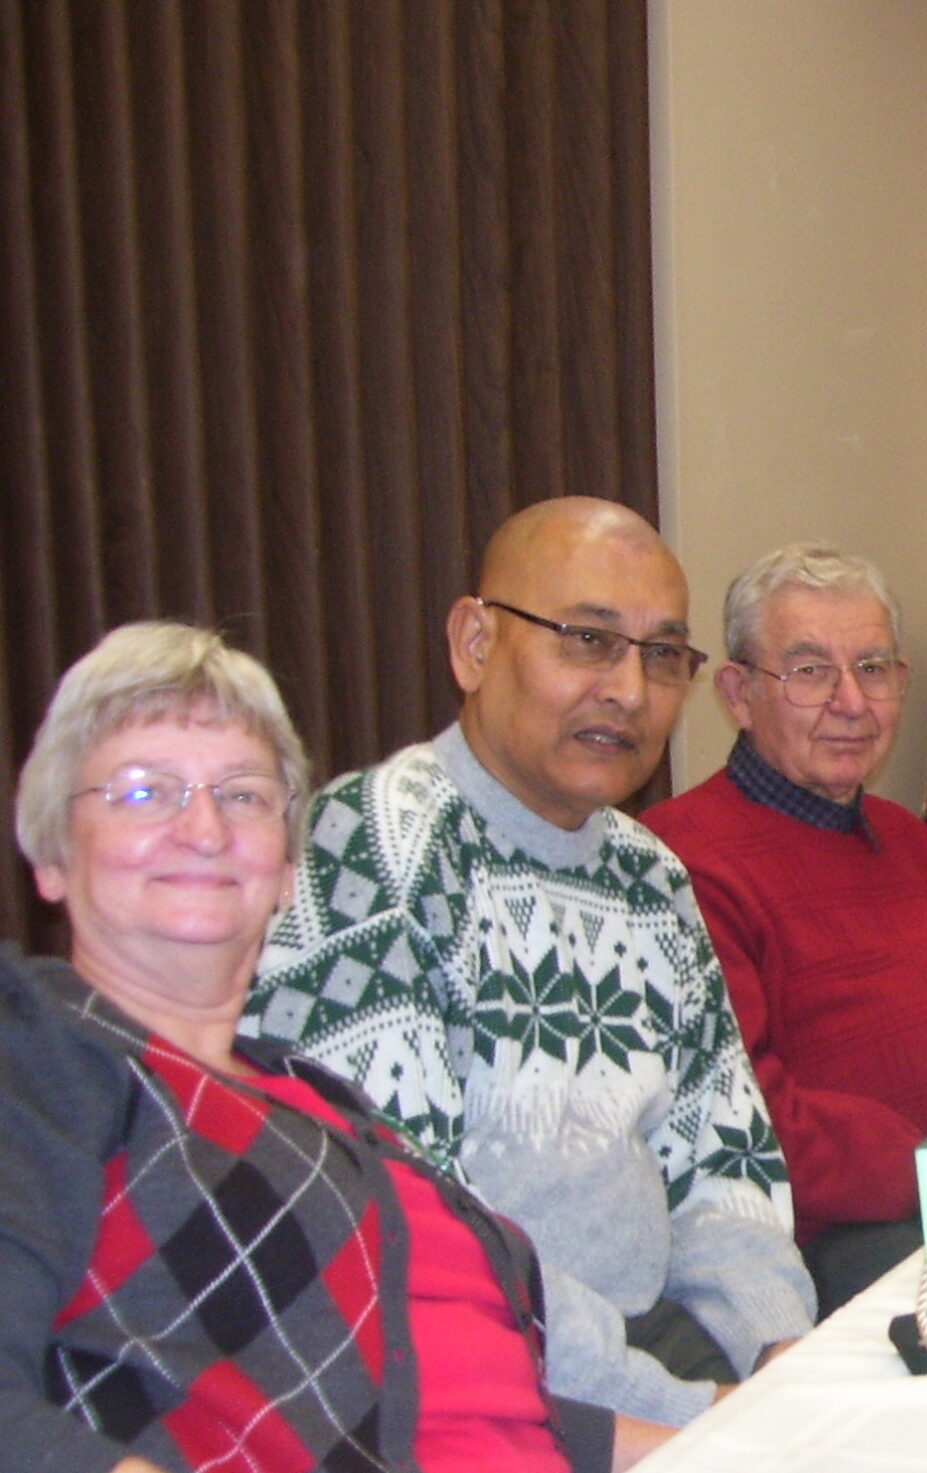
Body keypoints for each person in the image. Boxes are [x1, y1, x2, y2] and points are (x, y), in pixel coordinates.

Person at [0, 623, 659, 1473]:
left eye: (244, 795)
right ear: (49, 856)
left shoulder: (317, 1101)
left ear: (286, 866)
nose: (202, 825)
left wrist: (749, 1445)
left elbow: (437, 1398)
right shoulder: (41, 1057)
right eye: (141, 789)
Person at [246, 498, 816, 1425]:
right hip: (476, 1382)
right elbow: (409, 1237)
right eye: (589, 641)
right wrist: (681, 1413)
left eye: (661, 655)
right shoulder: (376, 847)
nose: (629, 691)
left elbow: (724, 1162)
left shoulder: (649, 875)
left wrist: (782, 1357)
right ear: (475, 644)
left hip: (651, 1349)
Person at [643, 544, 927, 1311]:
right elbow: (747, 1122)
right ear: (738, 694)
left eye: (873, 668)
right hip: (856, 1236)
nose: (852, 702)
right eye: (810, 671)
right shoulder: (679, 864)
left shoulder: (924, 849)